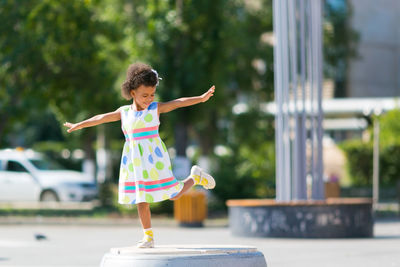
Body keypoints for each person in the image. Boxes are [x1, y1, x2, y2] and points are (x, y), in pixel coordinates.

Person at [64, 62, 216, 248]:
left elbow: (177, 103)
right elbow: (100, 118)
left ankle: (195, 177)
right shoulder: (124, 112)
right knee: (140, 199)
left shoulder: (155, 109)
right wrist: (79, 125)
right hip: (134, 161)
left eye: (152, 95)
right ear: (132, 92)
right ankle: (148, 237)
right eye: (145, 95)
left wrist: (200, 98)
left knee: (174, 195)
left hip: (155, 158)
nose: (149, 99)